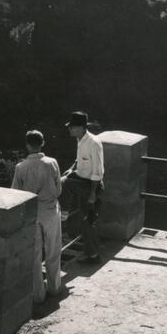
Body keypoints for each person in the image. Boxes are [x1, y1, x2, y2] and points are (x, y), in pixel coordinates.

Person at [11, 130, 62, 304]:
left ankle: (38, 295)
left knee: (34, 255)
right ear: (43, 143)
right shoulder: (52, 163)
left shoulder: (20, 167)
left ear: (27, 145)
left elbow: (15, 194)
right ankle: (54, 288)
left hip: (32, 214)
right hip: (50, 211)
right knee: (53, 250)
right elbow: (59, 190)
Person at [60, 111, 104, 264]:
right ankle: (91, 254)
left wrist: (92, 194)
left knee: (88, 221)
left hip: (91, 186)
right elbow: (79, 161)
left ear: (80, 128)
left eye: (71, 127)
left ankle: (64, 213)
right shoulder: (80, 140)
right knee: (86, 221)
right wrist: (71, 170)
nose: (69, 129)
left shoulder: (93, 143)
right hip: (82, 182)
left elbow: (98, 171)